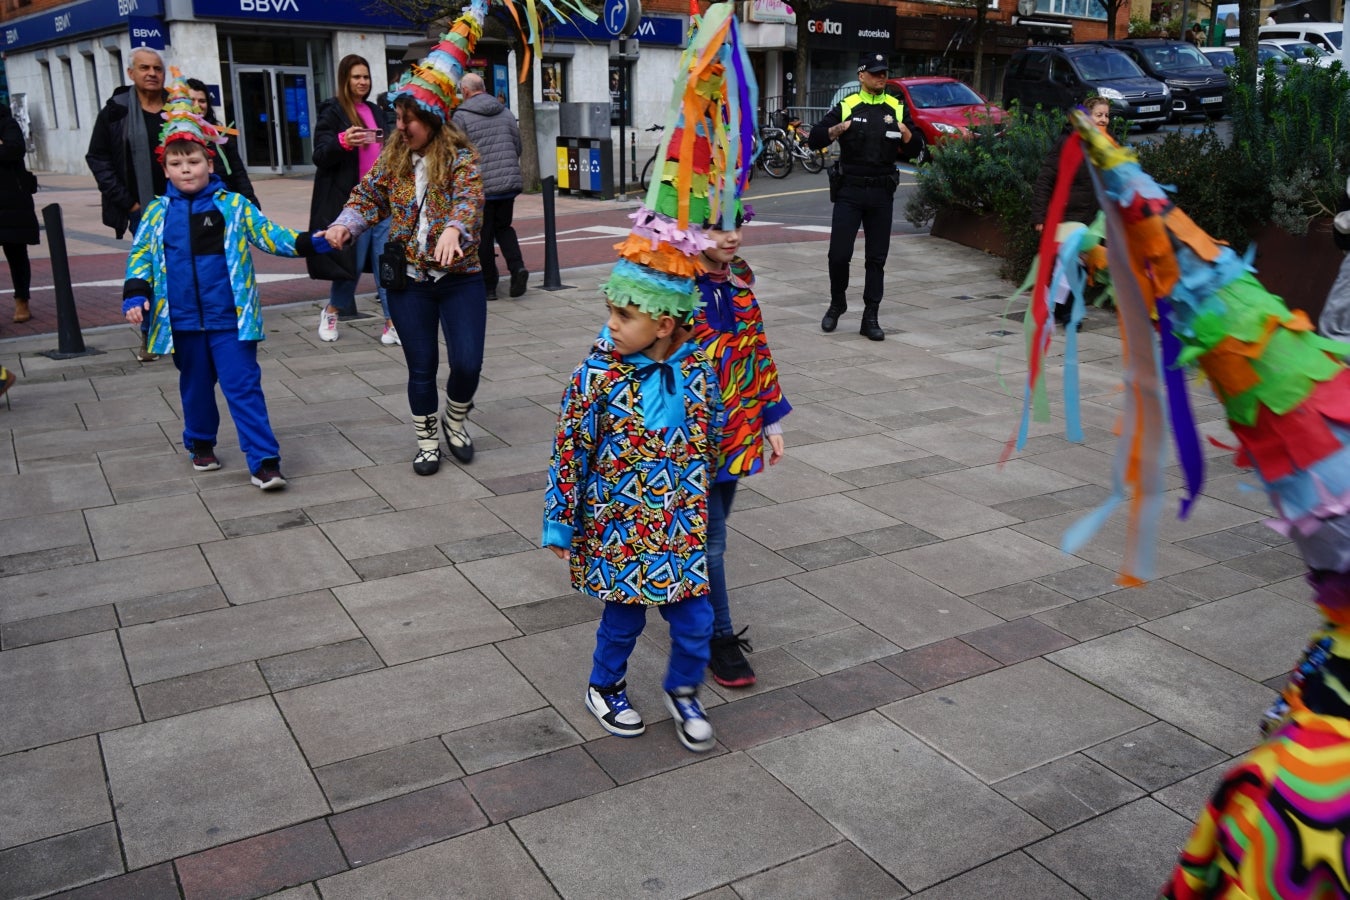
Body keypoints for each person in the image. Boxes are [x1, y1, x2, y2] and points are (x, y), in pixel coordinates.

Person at [543, 1, 752, 753]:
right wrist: (562, 520)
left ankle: (684, 690)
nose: (612, 322)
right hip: (622, 527)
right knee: (623, 621)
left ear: (665, 323)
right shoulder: (595, 376)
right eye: (611, 309)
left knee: (694, 623)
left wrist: (730, 459)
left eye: (625, 314)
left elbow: (716, 426)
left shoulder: (696, 367)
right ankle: (605, 686)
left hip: (682, 528)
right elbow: (571, 448)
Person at [121, 75, 334, 491]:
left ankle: (265, 461)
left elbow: (272, 236)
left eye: (193, 161)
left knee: (244, 387)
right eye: (176, 164)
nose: (186, 169)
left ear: (210, 163)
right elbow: (141, 257)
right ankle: (200, 441)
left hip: (231, 320)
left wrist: (313, 241)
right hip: (182, 321)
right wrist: (135, 294)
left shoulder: (234, 205)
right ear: (165, 168)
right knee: (196, 387)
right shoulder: (156, 213)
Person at [325, 20, 487, 473]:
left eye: (407, 119)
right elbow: (367, 197)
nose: (400, 126)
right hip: (409, 282)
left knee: (468, 364)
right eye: (397, 117)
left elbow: (469, 200)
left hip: (460, 279)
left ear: (432, 118)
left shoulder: (462, 159)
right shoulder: (394, 157)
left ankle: (455, 419)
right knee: (421, 367)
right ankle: (427, 441)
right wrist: (345, 225)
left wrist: (454, 230)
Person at [690, 203, 791, 688]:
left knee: (708, 535)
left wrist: (771, 419)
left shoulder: (740, 284)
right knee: (712, 541)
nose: (731, 236)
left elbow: (758, 352)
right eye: (717, 227)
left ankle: (685, 599)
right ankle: (718, 638)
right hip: (689, 437)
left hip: (738, 430)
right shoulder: (672, 287)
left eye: (736, 225)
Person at [808, 52, 910, 342]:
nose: (882, 77)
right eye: (875, 72)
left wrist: (906, 134)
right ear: (861, 76)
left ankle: (870, 317)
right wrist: (840, 127)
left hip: (881, 192)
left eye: (884, 72)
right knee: (839, 255)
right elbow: (815, 138)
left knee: (876, 258)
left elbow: (916, 148)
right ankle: (837, 303)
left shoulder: (896, 106)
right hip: (850, 191)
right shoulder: (848, 105)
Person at [87, 46, 169, 361]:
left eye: (157, 68)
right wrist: (129, 203)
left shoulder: (179, 106)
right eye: (145, 68)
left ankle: (185, 330)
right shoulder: (116, 111)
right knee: (148, 271)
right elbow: (97, 158)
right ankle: (150, 334)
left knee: (183, 269)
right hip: (142, 210)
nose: (152, 74)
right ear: (131, 73)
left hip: (182, 206)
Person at [308, 54, 396, 345]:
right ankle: (332, 311)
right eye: (356, 76)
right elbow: (320, 154)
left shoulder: (375, 110)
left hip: (382, 201)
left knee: (387, 262)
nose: (362, 82)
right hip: (353, 205)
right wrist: (343, 142)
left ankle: (391, 322)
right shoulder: (333, 111)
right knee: (352, 265)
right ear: (345, 79)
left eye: (366, 77)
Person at [1031, 97, 1111, 326]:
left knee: (1079, 265)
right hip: (1068, 216)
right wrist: (1039, 215)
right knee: (1071, 264)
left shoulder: (1105, 144)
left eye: (1107, 115)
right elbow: (1046, 178)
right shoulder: (1068, 142)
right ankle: (1070, 314)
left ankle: (1061, 309)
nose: (1104, 119)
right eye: (1098, 115)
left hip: (1092, 218)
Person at [453, 72, 528, 302]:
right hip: (507, 183)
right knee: (504, 228)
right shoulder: (505, 112)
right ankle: (517, 267)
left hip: (481, 186)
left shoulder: (461, 116)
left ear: (465, 91)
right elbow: (517, 146)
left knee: (483, 235)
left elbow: (456, 152)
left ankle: (489, 286)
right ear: (484, 88)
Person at [184, 78, 259, 208]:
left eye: (202, 101)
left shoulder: (220, 136)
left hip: (225, 207)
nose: (197, 105)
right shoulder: (173, 138)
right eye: (191, 100)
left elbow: (239, 175)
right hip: (193, 209)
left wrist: (253, 206)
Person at [0, 101, 38, 325]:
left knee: (16, 253)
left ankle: (22, 300)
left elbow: (14, 149)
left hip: (11, 201)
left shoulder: (6, 122)